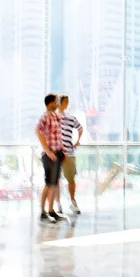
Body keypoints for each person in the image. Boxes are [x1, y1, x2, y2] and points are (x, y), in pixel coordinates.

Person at [52, 95, 84, 215]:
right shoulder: (53, 118)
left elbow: (80, 128)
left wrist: (77, 142)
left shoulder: (71, 118)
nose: (67, 103)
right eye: (65, 101)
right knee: (56, 180)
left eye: (67, 102)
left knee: (71, 179)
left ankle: (72, 202)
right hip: (56, 153)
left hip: (69, 154)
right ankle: (58, 204)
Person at [35, 94, 65, 223]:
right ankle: (43, 213)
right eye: (56, 102)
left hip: (57, 153)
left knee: (54, 183)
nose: (57, 104)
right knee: (48, 184)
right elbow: (38, 131)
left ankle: (51, 210)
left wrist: (62, 151)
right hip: (49, 154)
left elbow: (58, 136)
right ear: (50, 103)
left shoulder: (56, 117)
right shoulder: (45, 116)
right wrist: (48, 151)